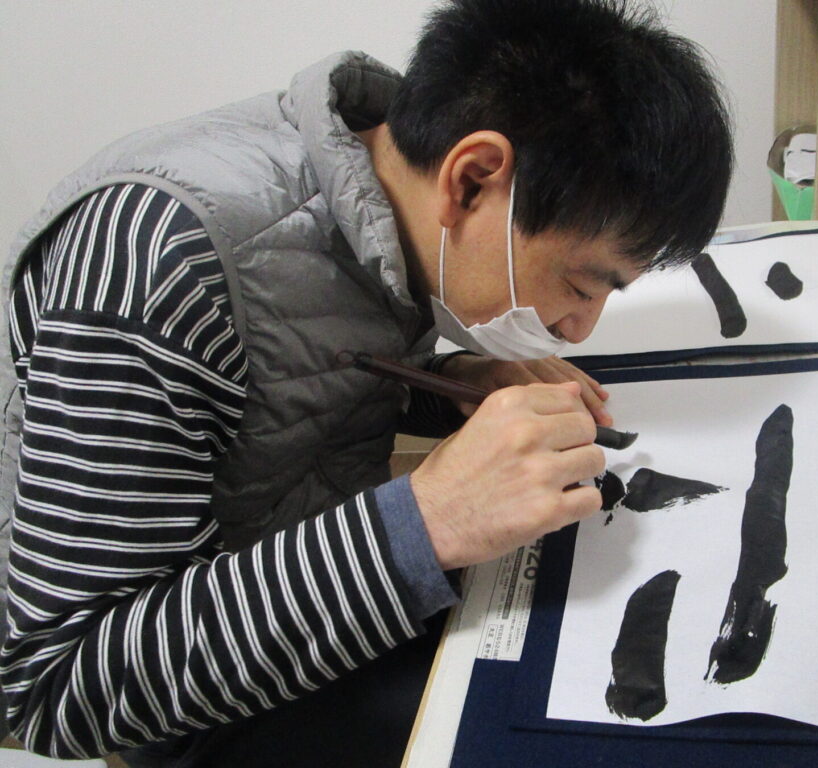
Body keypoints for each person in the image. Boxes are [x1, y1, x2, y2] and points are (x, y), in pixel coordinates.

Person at [0, 0, 732, 764]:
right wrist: (427, 522)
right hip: (189, 685)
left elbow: (296, 377)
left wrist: (451, 382)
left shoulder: (377, 183)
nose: (580, 328)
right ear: (473, 180)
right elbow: (59, 687)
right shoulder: (161, 263)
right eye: (582, 285)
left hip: (314, 582)